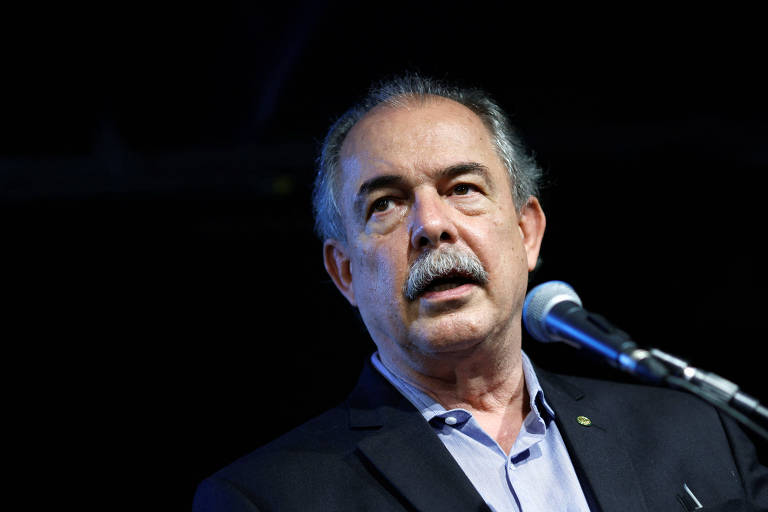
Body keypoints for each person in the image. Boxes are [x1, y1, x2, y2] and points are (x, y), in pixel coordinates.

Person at [193, 74, 768, 511]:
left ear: (526, 233)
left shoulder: (698, 435)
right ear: (345, 272)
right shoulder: (268, 497)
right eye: (385, 203)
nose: (431, 225)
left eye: (462, 187)